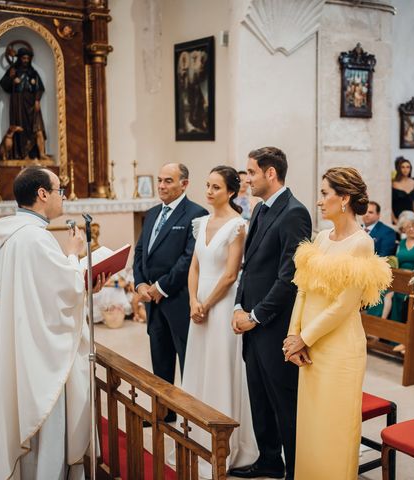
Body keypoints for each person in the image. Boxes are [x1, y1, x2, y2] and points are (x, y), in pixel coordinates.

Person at [0, 166, 107, 479]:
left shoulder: (14, 236)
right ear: (42, 194)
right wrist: (74, 255)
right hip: (40, 355)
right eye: (59, 190)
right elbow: (65, 291)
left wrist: (81, 280)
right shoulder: (35, 238)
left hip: (24, 343)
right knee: (44, 422)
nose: (63, 196)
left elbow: (46, 292)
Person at [283, 167, 391, 480]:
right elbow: (302, 290)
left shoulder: (362, 243)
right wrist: (294, 338)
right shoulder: (319, 238)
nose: (319, 201)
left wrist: (305, 337)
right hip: (309, 343)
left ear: (343, 198)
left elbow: (344, 305)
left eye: (325, 193)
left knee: (335, 430)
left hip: (340, 349)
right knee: (311, 427)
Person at [230, 147, 312, 480]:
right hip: (252, 321)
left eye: (250, 173)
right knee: (259, 397)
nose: (245, 179)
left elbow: (291, 277)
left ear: (270, 173)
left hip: (276, 325)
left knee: (284, 404)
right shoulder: (261, 210)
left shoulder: (295, 213)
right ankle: (269, 461)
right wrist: (238, 306)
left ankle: (295, 470)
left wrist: (256, 315)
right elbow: (249, 267)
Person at [171, 166, 258, 476]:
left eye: (216, 187)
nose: (208, 192)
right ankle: (195, 433)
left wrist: (206, 304)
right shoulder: (201, 222)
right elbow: (194, 266)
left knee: (221, 366)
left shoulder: (238, 226)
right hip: (199, 302)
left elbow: (232, 274)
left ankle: (225, 444)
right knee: (198, 363)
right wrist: (194, 300)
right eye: (207, 185)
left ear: (231, 192)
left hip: (221, 304)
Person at [133, 163, 207, 424]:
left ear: (184, 184)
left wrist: (161, 287)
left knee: (187, 360)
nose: (161, 186)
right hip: (153, 302)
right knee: (160, 359)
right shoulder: (152, 213)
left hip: (178, 300)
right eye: (159, 180)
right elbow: (141, 251)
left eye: (168, 181)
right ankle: (164, 409)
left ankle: (192, 414)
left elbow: (190, 259)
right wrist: (141, 284)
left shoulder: (197, 214)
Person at [0, 47, 49, 160]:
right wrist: (12, 80)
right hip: (19, 103)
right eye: (23, 58)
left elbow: (40, 88)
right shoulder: (13, 71)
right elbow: (3, 84)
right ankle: (23, 154)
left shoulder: (33, 73)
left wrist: (37, 100)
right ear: (20, 59)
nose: (26, 60)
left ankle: (40, 153)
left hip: (32, 103)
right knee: (21, 128)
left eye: (27, 58)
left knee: (37, 128)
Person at [362, 201, 396, 317]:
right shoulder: (357, 229)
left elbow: (383, 255)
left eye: (370, 212)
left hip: (374, 272)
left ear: (378, 215)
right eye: (365, 212)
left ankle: (372, 325)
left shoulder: (387, 232)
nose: (366, 214)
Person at [391, 157, 414, 222]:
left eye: (408, 167)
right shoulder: (393, 183)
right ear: (399, 169)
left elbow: (413, 202)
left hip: (411, 218)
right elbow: (390, 204)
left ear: (410, 169)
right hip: (398, 217)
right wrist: (394, 219)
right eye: (403, 167)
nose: (405, 169)